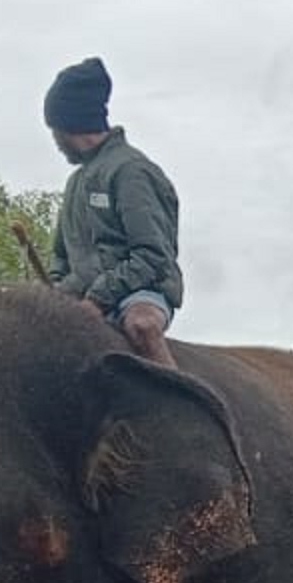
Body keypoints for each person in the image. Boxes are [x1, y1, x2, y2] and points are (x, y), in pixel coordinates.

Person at [45, 56, 185, 367]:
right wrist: (54, 295)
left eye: (55, 130)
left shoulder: (132, 172)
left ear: (72, 125)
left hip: (139, 292)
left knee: (141, 326)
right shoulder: (75, 183)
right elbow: (61, 257)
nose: (54, 140)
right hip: (82, 297)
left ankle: (183, 408)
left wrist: (97, 299)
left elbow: (152, 255)